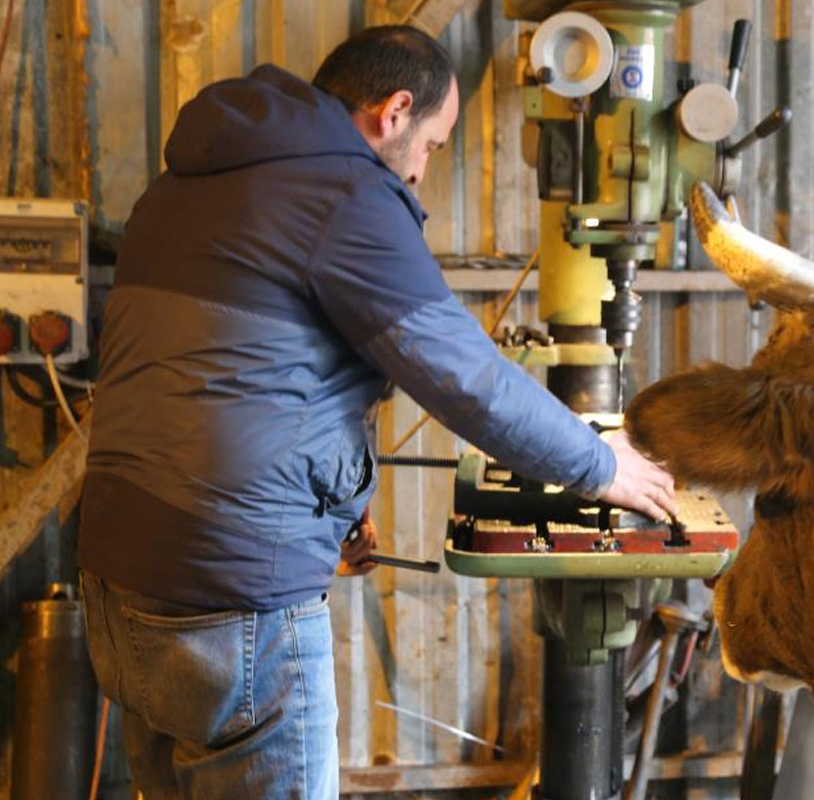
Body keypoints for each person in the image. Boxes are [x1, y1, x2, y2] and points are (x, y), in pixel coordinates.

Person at [77, 25, 677, 800]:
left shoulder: (180, 188)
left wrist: (333, 512)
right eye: (432, 144)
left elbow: (231, 380)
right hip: (235, 599)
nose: (424, 172)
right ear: (394, 111)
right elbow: (464, 377)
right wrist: (603, 465)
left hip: (119, 579)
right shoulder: (344, 192)